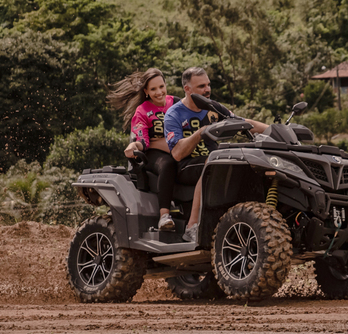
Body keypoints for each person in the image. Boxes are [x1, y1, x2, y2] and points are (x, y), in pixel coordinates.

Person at [164, 66, 267, 243]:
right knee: (212, 163)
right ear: (187, 89)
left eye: (208, 85)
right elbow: (178, 153)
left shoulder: (214, 108)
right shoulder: (174, 114)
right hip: (188, 165)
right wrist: (200, 133)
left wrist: (277, 130)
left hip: (215, 159)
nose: (208, 90)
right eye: (201, 86)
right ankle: (192, 226)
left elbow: (244, 123)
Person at [106, 67, 178, 231]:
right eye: (153, 89)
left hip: (178, 149)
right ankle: (164, 216)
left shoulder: (176, 103)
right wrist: (134, 146)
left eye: (161, 86)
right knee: (167, 164)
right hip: (154, 155)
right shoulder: (142, 111)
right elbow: (143, 141)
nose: (159, 92)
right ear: (146, 91)